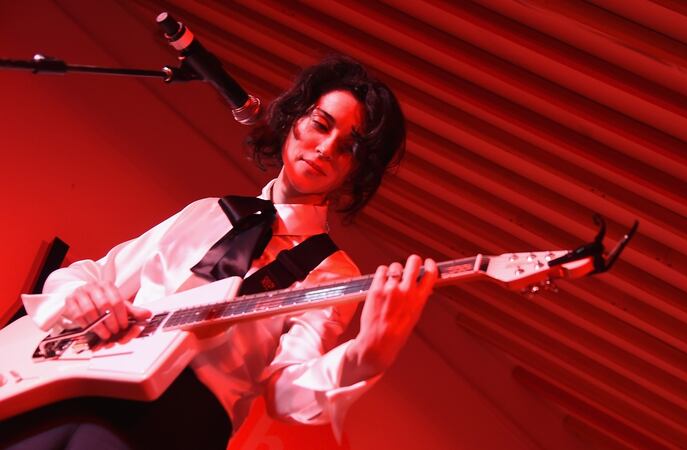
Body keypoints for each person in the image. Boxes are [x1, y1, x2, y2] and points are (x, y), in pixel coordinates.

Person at [2, 54, 437, 449]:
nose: (325, 148)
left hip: (177, 421)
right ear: (293, 120)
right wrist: (80, 297)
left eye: (348, 148)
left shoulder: (331, 270)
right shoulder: (209, 211)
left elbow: (286, 393)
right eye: (321, 125)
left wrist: (365, 356)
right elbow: (96, 274)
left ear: (355, 172)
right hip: (84, 381)